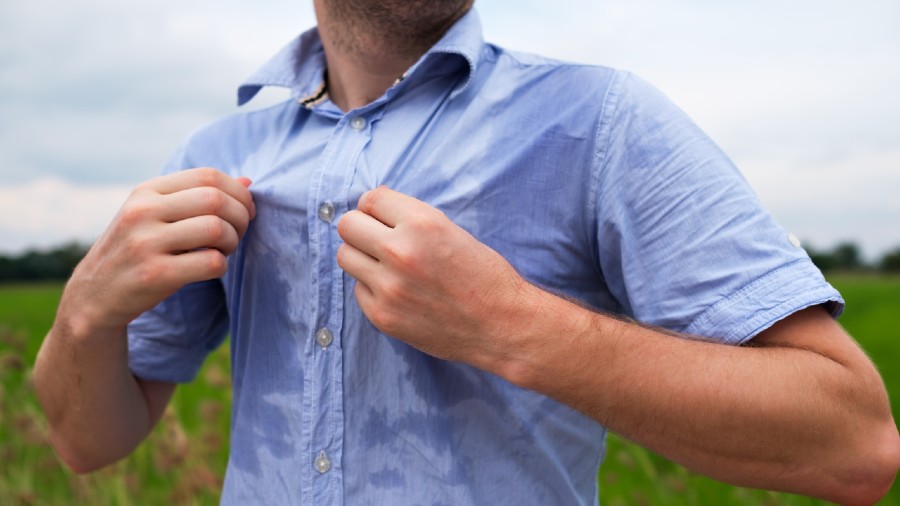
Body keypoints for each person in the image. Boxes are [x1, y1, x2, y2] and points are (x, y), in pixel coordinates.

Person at [34, 1, 900, 504]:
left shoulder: (601, 121)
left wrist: (512, 326)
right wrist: (84, 312)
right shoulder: (217, 152)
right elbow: (88, 444)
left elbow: (851, 442)